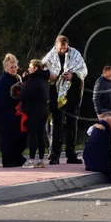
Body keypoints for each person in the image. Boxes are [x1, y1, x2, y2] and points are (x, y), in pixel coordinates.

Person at [42, 35, 87, 164]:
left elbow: (83, 70)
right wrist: (50, 76)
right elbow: (42, 69)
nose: (62, 50)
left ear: (68, 45)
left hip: (72, 94)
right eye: (60, 48)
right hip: (56, 96)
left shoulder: (75, 55)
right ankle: (54, 154)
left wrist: (72, 75)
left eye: (65, 48)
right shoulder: (50, 56)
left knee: (72, 124)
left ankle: (71, 154)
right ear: (56, 46)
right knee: (57, 124)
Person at [0, 53, 27, 168]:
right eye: (11, 67)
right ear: (6, 68)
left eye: (15, 67)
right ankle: (8, 159)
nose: (14, 69)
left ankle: (16, 157)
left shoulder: (16, 78)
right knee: (8, 136)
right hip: (5, 111)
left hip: (14, 111)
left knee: (18, 135)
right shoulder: (4, 80)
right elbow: (4, 97)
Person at [18, 59, 51, 168]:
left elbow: (24, 94)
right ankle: (41, 160)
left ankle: (32, 160)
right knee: (40, 134)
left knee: (32, 135)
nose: (28, 69)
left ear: (35, 68)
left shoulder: (33, 80)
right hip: (44, 108)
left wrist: (24, 83)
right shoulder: (44, 79)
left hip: (34, 109)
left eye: (30, 67)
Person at [82, 110, 111, 183]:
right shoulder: (106, 131)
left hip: (89, 164)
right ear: (107, 120)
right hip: (100, 163)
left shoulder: (96, 129)